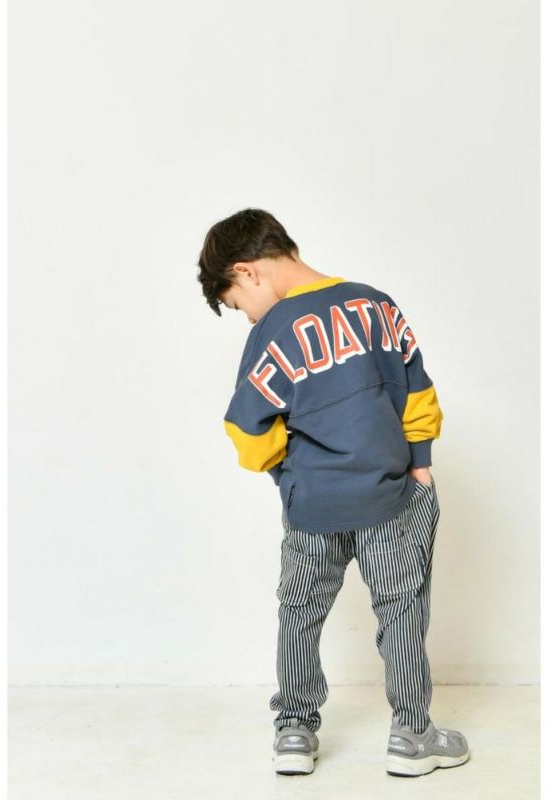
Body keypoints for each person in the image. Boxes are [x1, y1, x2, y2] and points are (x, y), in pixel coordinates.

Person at [197, 208, 470, 777]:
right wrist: (420, 465)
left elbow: (248, 433)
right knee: (401, 611)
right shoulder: (376, 305)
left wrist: (288, 475)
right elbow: (417, 393)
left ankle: (294, 732)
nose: (248, 317)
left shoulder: (273, 331)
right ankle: (412, 736)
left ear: (247, 271)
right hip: (390, 496)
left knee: (299, 612)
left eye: (237, 304)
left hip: (312, 507)